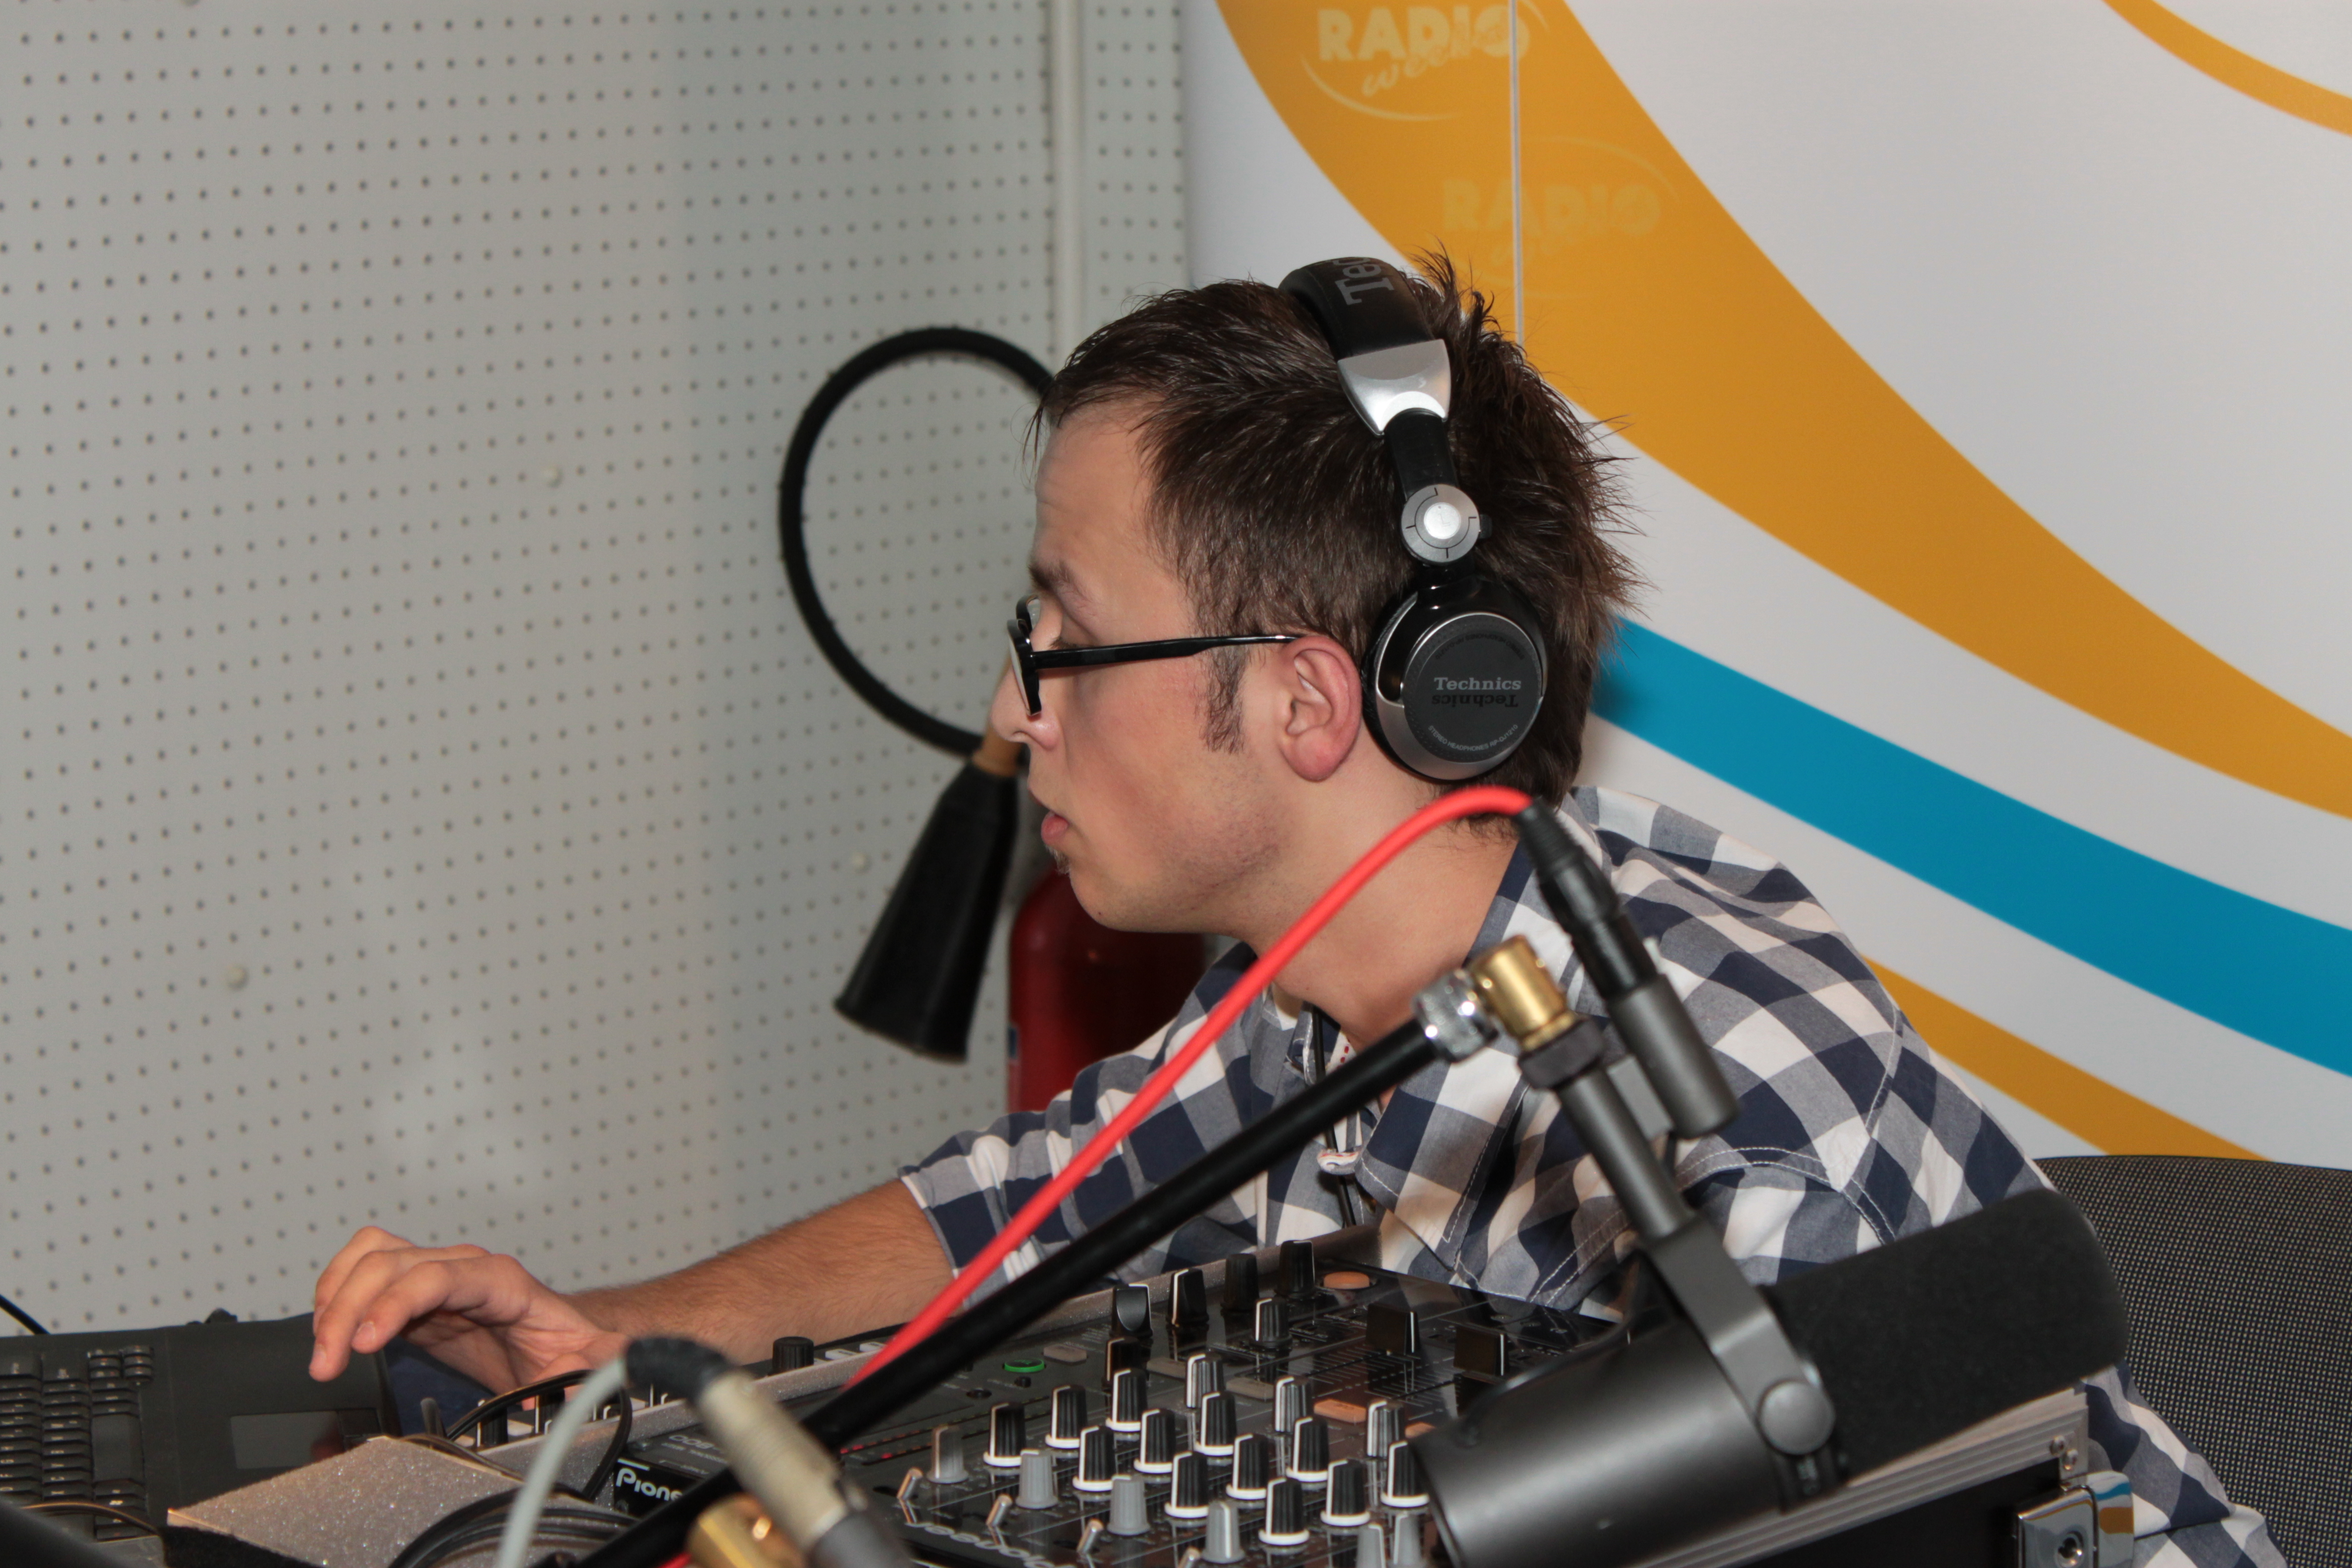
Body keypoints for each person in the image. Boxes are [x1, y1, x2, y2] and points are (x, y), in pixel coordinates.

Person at [308, 262, 2277, 1566]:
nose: (1014, 706)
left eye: (1066, 636)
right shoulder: (1302, 996)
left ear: (1314, 704)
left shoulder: (1735, 1115)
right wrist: (611, 1340)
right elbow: (1011, 1208)